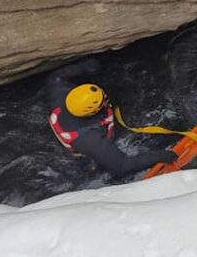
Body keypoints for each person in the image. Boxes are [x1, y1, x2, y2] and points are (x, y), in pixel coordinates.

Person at [45, 58, 177, 177]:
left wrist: (86, 66)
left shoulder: (59, 92)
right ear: (93, 111)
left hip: (73, 125)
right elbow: (121, 166)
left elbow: (56, 76)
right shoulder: (93, 140)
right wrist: (159, 156)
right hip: (85, 145)